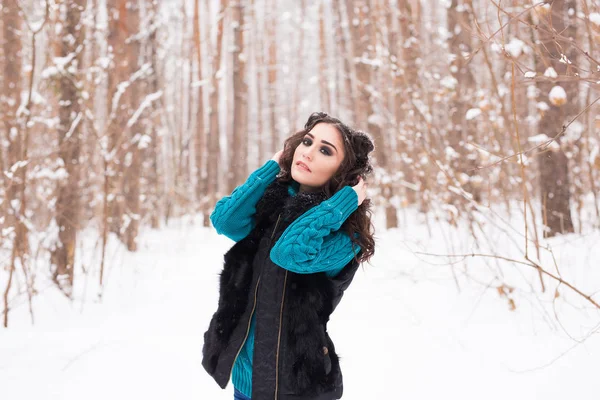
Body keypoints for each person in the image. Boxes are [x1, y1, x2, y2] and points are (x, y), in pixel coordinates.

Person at [202, 112, 376, 400]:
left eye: (324, 150)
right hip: (246, 381)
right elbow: (225, 219)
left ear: (344, 171)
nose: (307, 152)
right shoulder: (272, 204)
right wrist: (272, 167)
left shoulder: (347, 236)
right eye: (306, 142)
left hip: (295, 387)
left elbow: (289, 253)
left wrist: (341, 203)